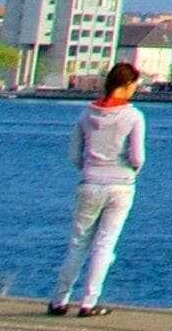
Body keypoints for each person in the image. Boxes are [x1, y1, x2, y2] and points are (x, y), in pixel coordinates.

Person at [49, 61, 146, 317]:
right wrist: (129, 169)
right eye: (134, 85)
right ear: (126, 85)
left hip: (90, 182)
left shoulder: (85, 114)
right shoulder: (133, 116)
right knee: (104, 244)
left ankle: (59, 299)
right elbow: (138, 157)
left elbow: (74, 155)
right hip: (121, 185)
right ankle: (89, 302)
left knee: (78, 243)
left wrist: (90, 168)